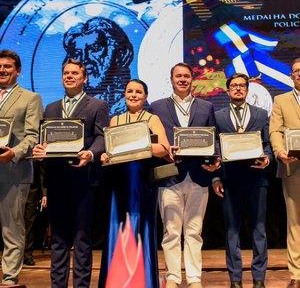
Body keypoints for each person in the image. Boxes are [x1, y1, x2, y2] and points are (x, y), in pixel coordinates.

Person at [32, 58, 109, 288]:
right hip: (57, 181)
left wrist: (91, 153)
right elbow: (46, 140)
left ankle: (81, 286)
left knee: (82, 238)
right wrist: (40, 149)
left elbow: (102, 137)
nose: (69, 76)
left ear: (84, 78)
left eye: (75, 73)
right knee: (58, 240)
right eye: (66, 72)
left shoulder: (97, 105)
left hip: (84, 180)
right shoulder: (51, 107)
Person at [148, 62, 221, 288]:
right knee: (170, 230)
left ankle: (194, 278)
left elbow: (214, 138)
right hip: (170, 176)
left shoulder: (206, 106)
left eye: (186, 76)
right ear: (171, 80)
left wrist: (216, 160)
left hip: (199, 175)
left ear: (192, 79)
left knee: (194, 230)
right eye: (178, 76)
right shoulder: (157, 107)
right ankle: (172, 276)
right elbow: (151, 140)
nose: (182, 80)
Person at [98, 79, 171, 288]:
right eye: (129, 91)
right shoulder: (116, 120)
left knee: (141, 227)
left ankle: (143, 281)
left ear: (145, 96)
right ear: (124, 94)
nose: (133, 94)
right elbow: (110, 151)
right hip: (118, 183)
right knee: (117, 226)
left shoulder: (152, 118)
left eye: (138, 92)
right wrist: (105, 155)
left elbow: (164, 149)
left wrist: (137, 144)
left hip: (141, 183)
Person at [213, 73, 272, 288]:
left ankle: (259, 278)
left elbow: (268, 144)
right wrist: (216, 177)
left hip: (257, 179)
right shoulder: (218, 116)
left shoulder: (261, 113)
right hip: (230, 180)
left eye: (241, 86)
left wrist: (267, 159)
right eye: (234, 86)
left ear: (247, 90)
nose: (238, 89)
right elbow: (215, 147)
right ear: (227, 91)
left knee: (259, 230)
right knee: (232, 230)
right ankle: (235, 279)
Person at [0, 49, 43, 286]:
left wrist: (14, 153)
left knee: (11, 227)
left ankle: (9, 278)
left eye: (7, 67)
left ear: (18, 71)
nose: (2, 70)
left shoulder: (30, 98)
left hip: (13, 170)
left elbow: (32, 136)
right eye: (0, 66)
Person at [63, 16, 134, 117]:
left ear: (119, 54)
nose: (85, 59)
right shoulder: (67, 111)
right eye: (77, 53)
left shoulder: (135, 107)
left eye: (95, 49)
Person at [269, 57, 300, 288]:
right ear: (291, 76)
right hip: (292, 166)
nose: (299, 74)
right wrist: (279, 152)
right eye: (296, 71)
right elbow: (275, 131)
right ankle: (296, 274)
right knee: (295, 222)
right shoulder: (280, 100)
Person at [23, 160, 47, 266]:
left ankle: (27, 254)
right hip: (11, 191)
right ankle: (11, 255)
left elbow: (42, 174)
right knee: (10, 224)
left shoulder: (35, 149)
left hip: (32, 192)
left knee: (29, 224)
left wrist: (44, 194)